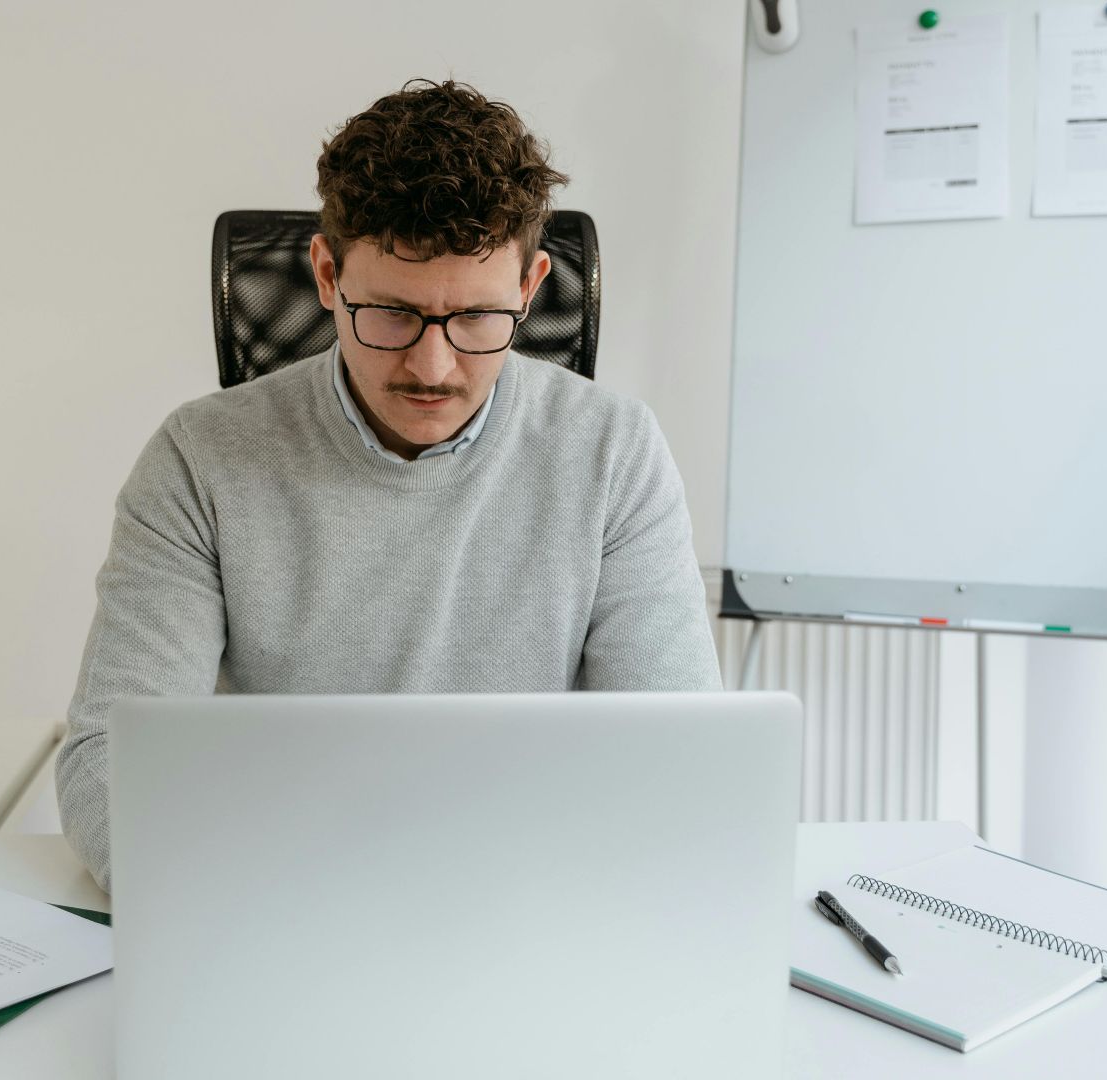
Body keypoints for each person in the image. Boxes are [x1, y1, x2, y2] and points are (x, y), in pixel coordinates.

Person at [57, 78, 720, 891]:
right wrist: (258, 904)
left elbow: (676, 759)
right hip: (282, 893)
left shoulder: (614, 452)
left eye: (476, 318)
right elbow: (107, 761)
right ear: (327, 275)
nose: (432, 368)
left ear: (530, 285)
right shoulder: (202, 459)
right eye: (394, 314)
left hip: (525, 900)